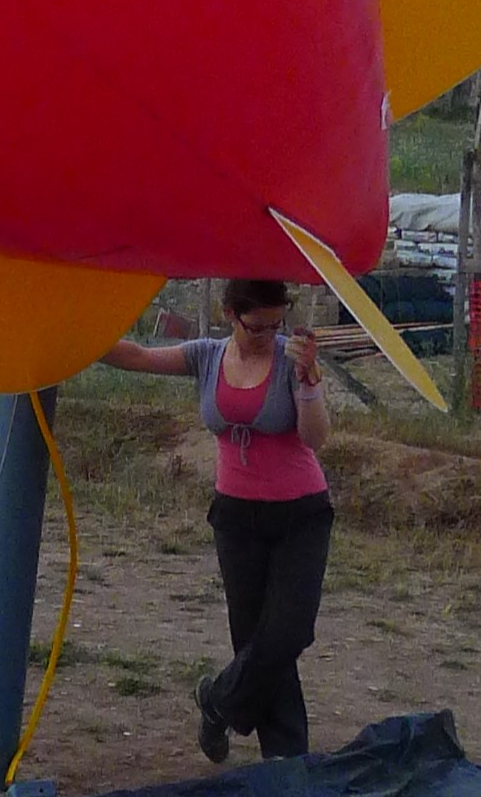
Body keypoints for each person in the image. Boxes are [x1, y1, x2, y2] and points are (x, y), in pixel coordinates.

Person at [99, 278, 331, 763]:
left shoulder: (293, 361)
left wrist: (309, 382)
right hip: (236, 516)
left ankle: (217, 701)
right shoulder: (207, 356)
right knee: (256, 644)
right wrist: (74, 345)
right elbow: (140, 356)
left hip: (300, 514)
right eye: (256, 326)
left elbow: (314, 439)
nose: (268, 335)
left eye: (276, 324)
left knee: (287, 633)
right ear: (230, 314)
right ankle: (286, 765)